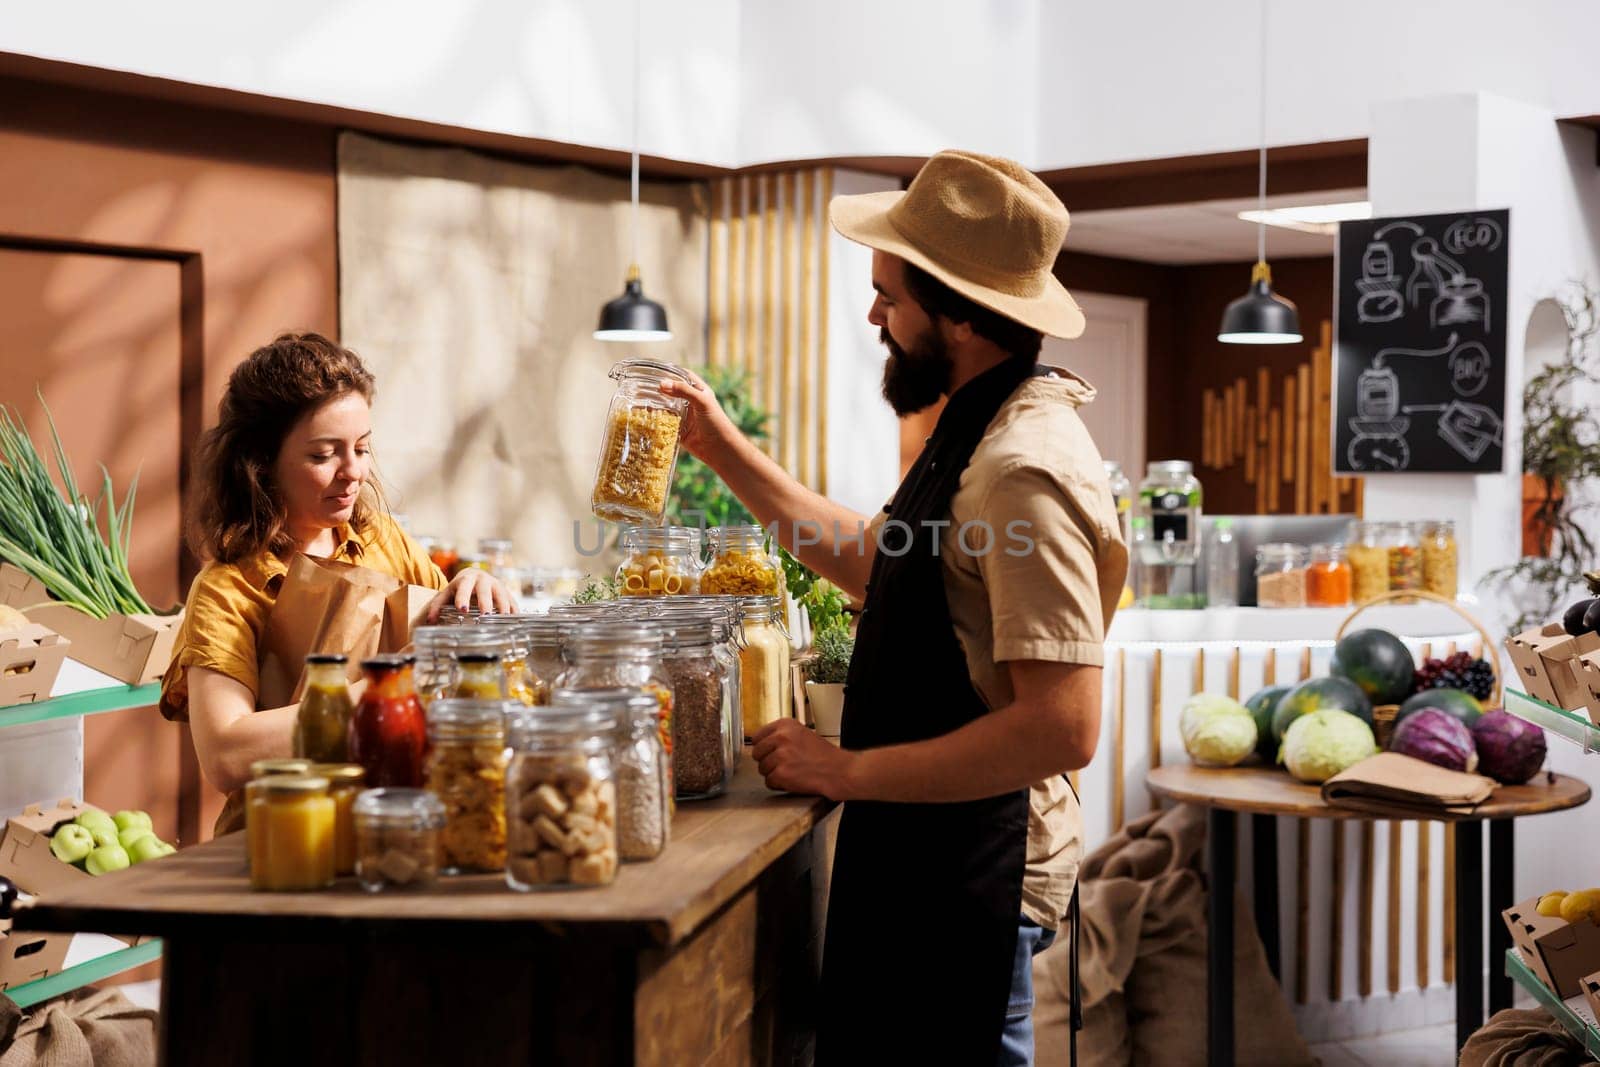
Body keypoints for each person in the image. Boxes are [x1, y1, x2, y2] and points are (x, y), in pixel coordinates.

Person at [659, 150, 1128, 1065]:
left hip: (976, 876)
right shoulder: (975, 424)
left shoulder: (1025, 469)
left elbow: (1061, 728)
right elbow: (879, 561)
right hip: (925, 856)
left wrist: (846, 771)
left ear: (956, 312)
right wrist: (720, 450)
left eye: (891, 297)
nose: (876, 316)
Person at [158, 332, 514, 833]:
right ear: (260, 465)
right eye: (324, 455)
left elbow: (445, 625)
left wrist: (472, 580)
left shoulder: (382, 540)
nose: (354, 473)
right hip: (281, 844)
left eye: (362, 449)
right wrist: (388, 687)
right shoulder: (228, 589)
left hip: (395, 828)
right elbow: (226, 755)